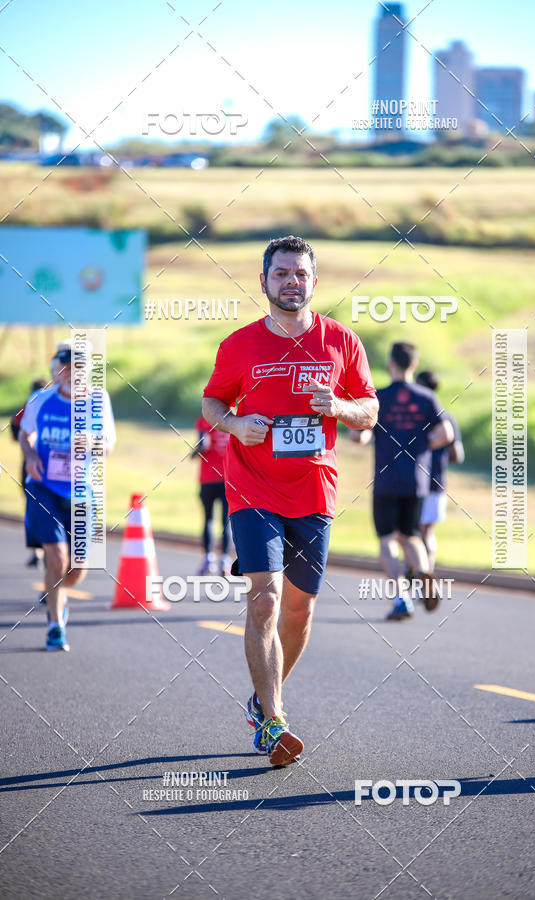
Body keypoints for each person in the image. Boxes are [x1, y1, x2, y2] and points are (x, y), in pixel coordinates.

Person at [202, 235, 378, 766]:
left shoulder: (341, 342)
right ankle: (274, 721)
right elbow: (211, 402)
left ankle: (261, 698)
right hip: (252, 487)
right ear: (263, 282)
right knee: (267, 597)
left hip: (314, 490)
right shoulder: (239, 346)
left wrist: (340, 406)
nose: (291, 282)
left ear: (314, 281)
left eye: (300, 273)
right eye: (281, 273)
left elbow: (369, 410)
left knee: (299, 613)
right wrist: (236, 423)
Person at [19, 344, 116, 651]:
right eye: (65, 368)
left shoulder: (99, 401)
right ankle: (55, 626)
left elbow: (109, 445)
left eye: (78, 368)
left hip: (81, 492)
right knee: (57, 558)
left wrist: (94, 441)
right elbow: (24, 434)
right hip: (43, 488)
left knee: (76, 569)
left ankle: (55, 592)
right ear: (57, 371)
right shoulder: (41, 399)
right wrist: (31, 454)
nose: (71, 374)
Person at [352, 342, 453, 621]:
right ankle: (423, 572)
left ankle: (401, 600)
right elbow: (446, 432)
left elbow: (361, 435)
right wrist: (422, 445)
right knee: (410, 535)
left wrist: (359, 435)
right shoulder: (426, 397)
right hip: (416, 481)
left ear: (390, 363)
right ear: (414, 365)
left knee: (386, 539)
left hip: (386, 481)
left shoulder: (378, 397)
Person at [416, 370, 464, 572]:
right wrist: (441, 459)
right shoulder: (447, 418)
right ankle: (428, 571)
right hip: (437, 482)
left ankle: (421, 572)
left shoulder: (416, 418)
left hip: (417, 480)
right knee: (428, 532)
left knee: (416, 533)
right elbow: (458, 455)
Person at [11, 377, 47, 567]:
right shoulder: (51, 402)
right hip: (47, 465)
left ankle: (38, 551)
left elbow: (14, 429)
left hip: (30, 463)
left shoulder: (29, 405)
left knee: (32, 506)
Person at [192, 414, 232, 575]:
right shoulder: (234, 421)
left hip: (208, 480)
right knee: (226, 522)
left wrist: (193, 454)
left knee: (208, 519)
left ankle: (208, 560)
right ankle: (224, 561)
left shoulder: (205, 420)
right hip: (228, 480)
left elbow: (204, 444)